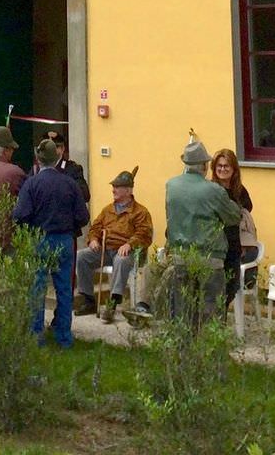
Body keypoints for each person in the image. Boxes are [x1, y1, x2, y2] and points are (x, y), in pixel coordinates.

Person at [13, 137, 89, 348]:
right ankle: (64, 337)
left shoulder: (32, 183)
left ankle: (36, 336)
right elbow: (83, 216)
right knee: (64, 290)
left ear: (38, 160)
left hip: (39, 239)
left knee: (37, 289)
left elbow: (19, 215)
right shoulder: (70, 183)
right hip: (64, 239)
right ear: (57, 158)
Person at [163, 136, 242, 326]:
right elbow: (233, 217)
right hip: (210, 258)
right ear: (205, 166)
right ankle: (209, 353)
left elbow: (170, 217)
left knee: (182, 311)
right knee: (210, 312)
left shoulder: (171, 185)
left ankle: (183, 352)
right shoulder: (213, 190)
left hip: (180, 256)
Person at [75, 166, 153, 323]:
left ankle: (113, 302)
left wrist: (130, 244)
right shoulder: (107, 210)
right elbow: (95, 227)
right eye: (113, 186)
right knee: (82, 256)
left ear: (128, 191)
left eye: (117, 187)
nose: (113, 190)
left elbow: (145, 235)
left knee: (121, 259)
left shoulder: (140, 212)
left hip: (128, 252)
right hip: (105, 249)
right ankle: (88, 299)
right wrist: (94, 240)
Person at [211, 147, 260, 306]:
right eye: (219, 166)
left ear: (234, 169)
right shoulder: (211, 190)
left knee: (231, 286)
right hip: (217, 245)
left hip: (236, 244)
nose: (222, 169)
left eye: (226, 166)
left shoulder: (239, 190)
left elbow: (248, 208)